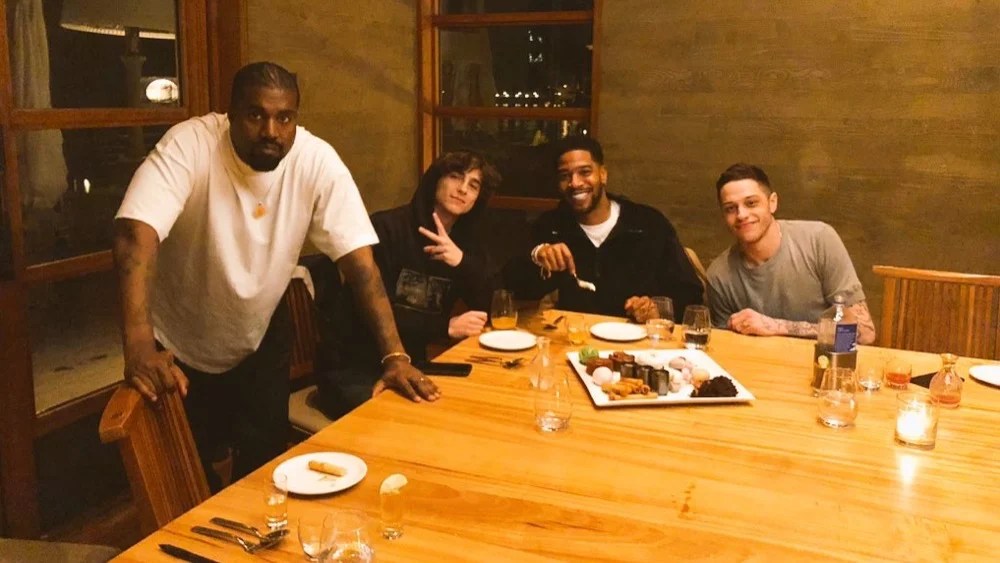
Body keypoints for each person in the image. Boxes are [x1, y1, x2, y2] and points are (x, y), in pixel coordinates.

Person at [112, 61, 437, 491]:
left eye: (284, 118)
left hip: (260, 333)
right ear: (230, 113)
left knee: (264, 470)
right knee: (187, 476)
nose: (271, 130)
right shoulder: (190, 144)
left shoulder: (316, 159)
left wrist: (395, 357)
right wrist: (138, 344)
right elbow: (134, 235)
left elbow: (360, 265)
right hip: (180, 342)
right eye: (256, 115)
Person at [314, 151, 501, 418]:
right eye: (455, 177)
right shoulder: (387, 227)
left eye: (473, 185)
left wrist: (461, 262)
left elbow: (492, 306)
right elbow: (365, 310)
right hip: (352, 365)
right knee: (406, 420)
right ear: (435, 180)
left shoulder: (465, 241)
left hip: (412, 365)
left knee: (471, 407)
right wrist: (444, 327)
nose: (462, 189)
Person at [502, 136, 703, 322]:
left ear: (603, 174)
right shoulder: (550, 226)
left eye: (585, 172)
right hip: (573, 339)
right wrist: (537, 257)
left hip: (638, 340)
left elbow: (690, 294)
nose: (575, 183)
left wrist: (656, 309)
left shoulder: (648, 224)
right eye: (565, 176)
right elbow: (514, 288)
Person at [706, 163, 876, 344]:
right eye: (730, 208)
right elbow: (726, 347)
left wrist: (778, 327)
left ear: (772, 203)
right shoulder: (719, 276)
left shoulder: (819, 240)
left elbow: (864, 333)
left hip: (822, 359)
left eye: (751, 203)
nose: (741, 214)